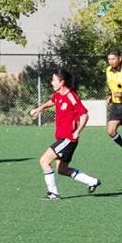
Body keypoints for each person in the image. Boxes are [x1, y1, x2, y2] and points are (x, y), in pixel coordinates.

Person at [29, 69, 101, 200]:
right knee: (62, 170)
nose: (52, 82)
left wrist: (78, 131)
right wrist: (40, 108)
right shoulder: (58, 94)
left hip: (68, 138)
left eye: (54, 80)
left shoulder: (71, 96)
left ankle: (53, 193)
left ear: (62, 82)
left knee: (44, 161)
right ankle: (92, 181)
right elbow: (52, 101)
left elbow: (84, 114)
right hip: (62, 137)